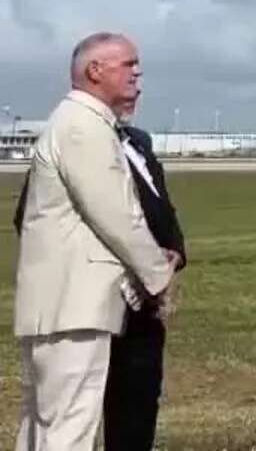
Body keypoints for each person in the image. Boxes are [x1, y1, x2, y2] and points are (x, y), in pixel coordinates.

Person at [13, 33, 177, 451]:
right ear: (94, 71)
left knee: (45, 429)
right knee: (68, 432)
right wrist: (159, 277)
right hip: (75, 309)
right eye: (128, 65)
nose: (137, 75)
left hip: (64, 308)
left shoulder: (77, 123)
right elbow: (118, 215)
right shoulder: (83, 127)